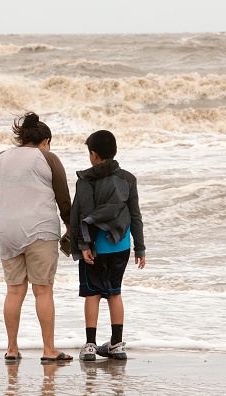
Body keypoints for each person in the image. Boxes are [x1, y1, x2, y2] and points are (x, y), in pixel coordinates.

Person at [0, 112, 73, 362]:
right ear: (45, 140)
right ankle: (49, 351)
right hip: (40, 229)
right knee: (43, 290)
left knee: (14, 291)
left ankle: (12, 350)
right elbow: (63, 198)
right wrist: (69, 227)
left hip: (6, 230)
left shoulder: (1, 158)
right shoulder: (48, 158)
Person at [70, 129, 146, 361]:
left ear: (93, 154)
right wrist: (140, 248)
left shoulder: (85, 180)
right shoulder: (128, 179)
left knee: (92, 294)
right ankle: (116, 344)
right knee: (114, 293)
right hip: (121, 246)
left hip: (93, 248)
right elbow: (135, 216)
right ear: (114, 152)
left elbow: (80, 215)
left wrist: (82, 245)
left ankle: (91, 346)